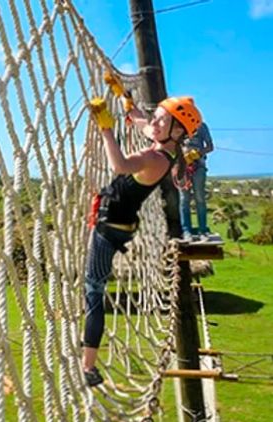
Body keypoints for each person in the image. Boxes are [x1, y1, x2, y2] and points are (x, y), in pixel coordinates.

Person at [83, 94, 202, 387]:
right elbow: (142, 122)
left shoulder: (154, 158)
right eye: (158, 116)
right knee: (93, 288)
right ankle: (88, 357)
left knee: (93, 290)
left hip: (109, 229)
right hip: (121, 224)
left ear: (177, 131)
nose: (155, 122)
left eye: (163, 119)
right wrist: (125, 98)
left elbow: (121, 165)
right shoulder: (166, 146)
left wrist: (106, 129)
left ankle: (88, 367)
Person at [179, 122, 214, 241]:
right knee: (184, 199)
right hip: (182, 167)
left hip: (198, 166)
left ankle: (203, 231)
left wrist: (198, 153)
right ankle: (186, 231)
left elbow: (210, 146)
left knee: (200, 198)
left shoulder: (201, 126)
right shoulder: (176, 125)